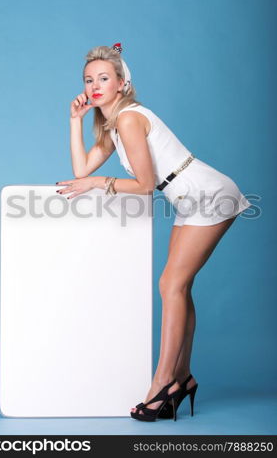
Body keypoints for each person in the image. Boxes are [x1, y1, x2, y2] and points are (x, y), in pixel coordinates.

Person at [56, 42, 251, 422]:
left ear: (122, 84)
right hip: (188, 198)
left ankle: (162, 383)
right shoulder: (114, 126)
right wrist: (74, 121)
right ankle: (181, 379)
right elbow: (80, 171)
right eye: (88, 80)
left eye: (103, 78)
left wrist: (99, 182)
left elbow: (144, 185)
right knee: (179, 286)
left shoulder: (129, 118)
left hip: (206, 192)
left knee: (171, 285)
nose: (94, 86)